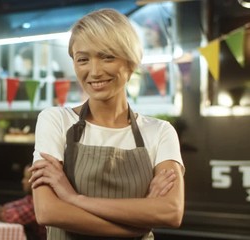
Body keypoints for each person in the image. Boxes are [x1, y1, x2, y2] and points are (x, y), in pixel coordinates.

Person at [29, 9, 184, 240]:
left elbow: (171, 212)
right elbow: (48, 211)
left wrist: (74, 199)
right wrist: (139, 223)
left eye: (107, 57)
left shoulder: (160, 132)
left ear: (131, 62)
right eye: (83, 59)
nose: (94, 71)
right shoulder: (56, 121)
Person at [0, 165, 47, 240]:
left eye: (26, 178)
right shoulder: (31, 198)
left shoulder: (39, 203)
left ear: (37, 180)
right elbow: (8, 206)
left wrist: (1, 211)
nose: (22, 181)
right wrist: (2, 210)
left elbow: (10, 216)